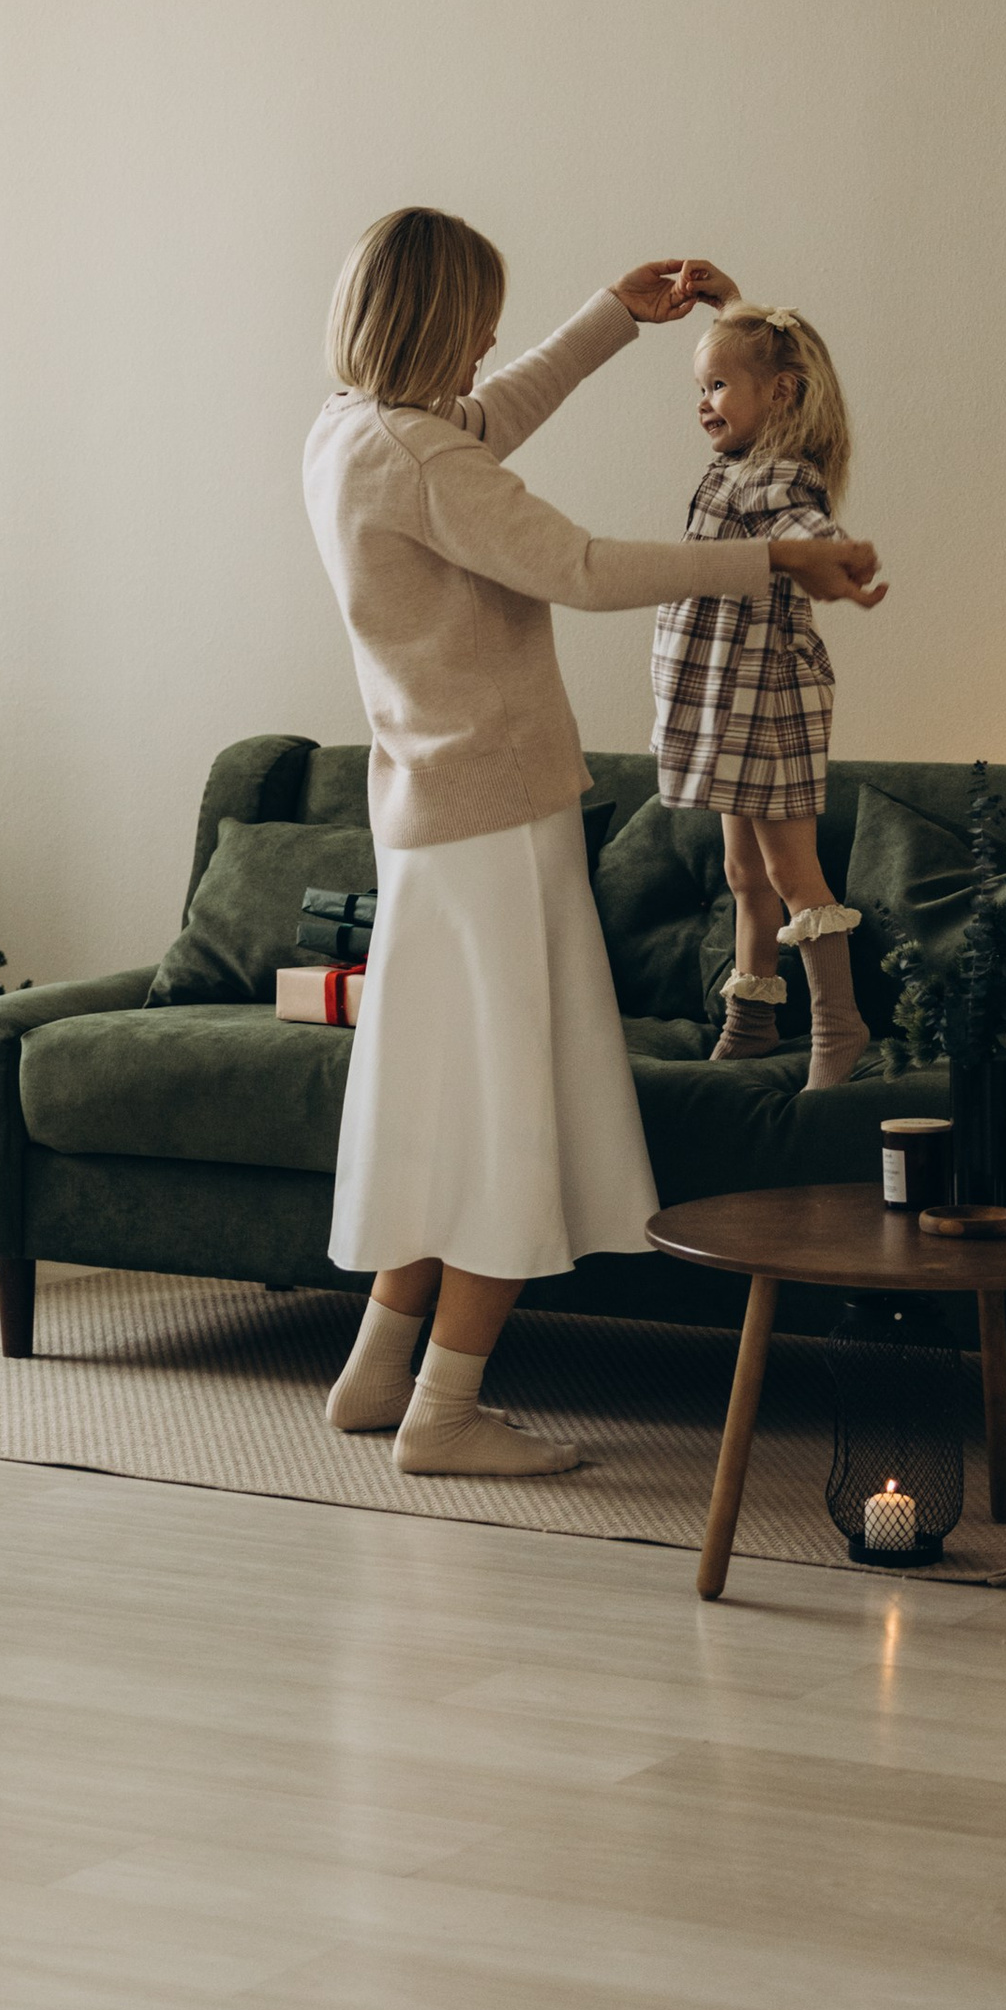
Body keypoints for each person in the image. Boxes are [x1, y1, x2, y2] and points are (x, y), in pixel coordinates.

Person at [303, 209, 887, 1478]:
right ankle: (446, 1414)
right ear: (431, 322)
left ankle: (374, 1375)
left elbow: (490, 420)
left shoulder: (349, 437)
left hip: (425, 824)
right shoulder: (422, 462)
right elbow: (573, 563)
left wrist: (615, 317)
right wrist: (774, 558)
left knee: (437, 1103)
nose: (493, 339)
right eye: (478, 319)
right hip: (497, 823)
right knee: (515, 1117)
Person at [651, 295, 871, 1085]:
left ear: (779, 393)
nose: (701, 403)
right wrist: (729, 301)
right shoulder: (737, 467)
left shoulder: (779, 477)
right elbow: (766, 354)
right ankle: (750, 1022)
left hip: (767, 699)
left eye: (714, 386)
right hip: (728, 704)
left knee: (788, 873)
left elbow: (804, 525)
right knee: (743, 874)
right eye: (699, 388)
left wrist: (840, 558)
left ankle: (838, 1025)